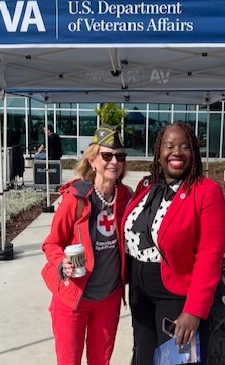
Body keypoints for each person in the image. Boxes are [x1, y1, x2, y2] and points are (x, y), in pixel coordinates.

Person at [122, 121, 225, 365]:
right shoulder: (146, 186)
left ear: (194, 153)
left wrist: (194, 310)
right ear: (159, 153)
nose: (176, 152)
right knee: (143, 353)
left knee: (175, 360)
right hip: (138, 285)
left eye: (184, 146)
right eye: (169, 146)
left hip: (175, 291)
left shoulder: (206, 192)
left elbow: (210, 255)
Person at [41, 124, 133, 365]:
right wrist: (63, 262)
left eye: (119, 156)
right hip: (74, 298)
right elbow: (51, 243)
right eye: (106, 155)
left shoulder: (126, 197)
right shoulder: (76, 199)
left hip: (108, 298)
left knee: (100, 361)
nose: (114, 161)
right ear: (92, 160)